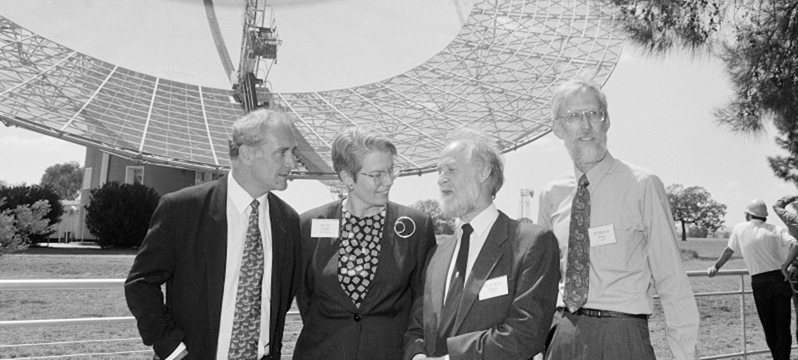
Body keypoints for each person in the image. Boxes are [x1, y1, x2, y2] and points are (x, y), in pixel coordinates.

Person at [538, 76, 699, 360]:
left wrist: (685, 353)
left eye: (594, 114)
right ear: (558, 127)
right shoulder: (551, 195)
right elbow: (543, 281)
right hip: (563, 336)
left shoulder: (642, 185)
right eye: (574, 116)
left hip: (622, 337)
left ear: (607, 121)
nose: (586, 125)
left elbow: (671, 277)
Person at [125, 109, 302, 360]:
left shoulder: (288, 222)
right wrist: (173, 351)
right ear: (247, 153)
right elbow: (141, 284)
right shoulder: (183, 209)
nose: (292, 163)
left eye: (293, 153)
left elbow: (279, 302)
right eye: (282, 152)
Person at [403, 128, 560, 360]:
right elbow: (418, 325)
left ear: (484, 172)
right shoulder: (437, 254)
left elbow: (527, 331)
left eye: (451, 170)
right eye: (439, 171)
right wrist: (416, 355)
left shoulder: (531, 243)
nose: (440, 179)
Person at [294, 126, 437, 360]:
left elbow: (423, 301)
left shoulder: (416, 227)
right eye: (377, 175)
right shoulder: (309, 225)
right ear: (347, 177)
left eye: (391, 171)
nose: (388, 181)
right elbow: (306, 298)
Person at [709, 199, 798, 360]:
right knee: (783, 327)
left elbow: (729, 250)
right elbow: (795, 245)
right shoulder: (776, 229)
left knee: (769, 327)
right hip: (780, 279)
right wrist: (785, 265)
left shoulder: (739, 228)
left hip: (760, 282)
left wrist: (716, 266)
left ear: (749, 215)